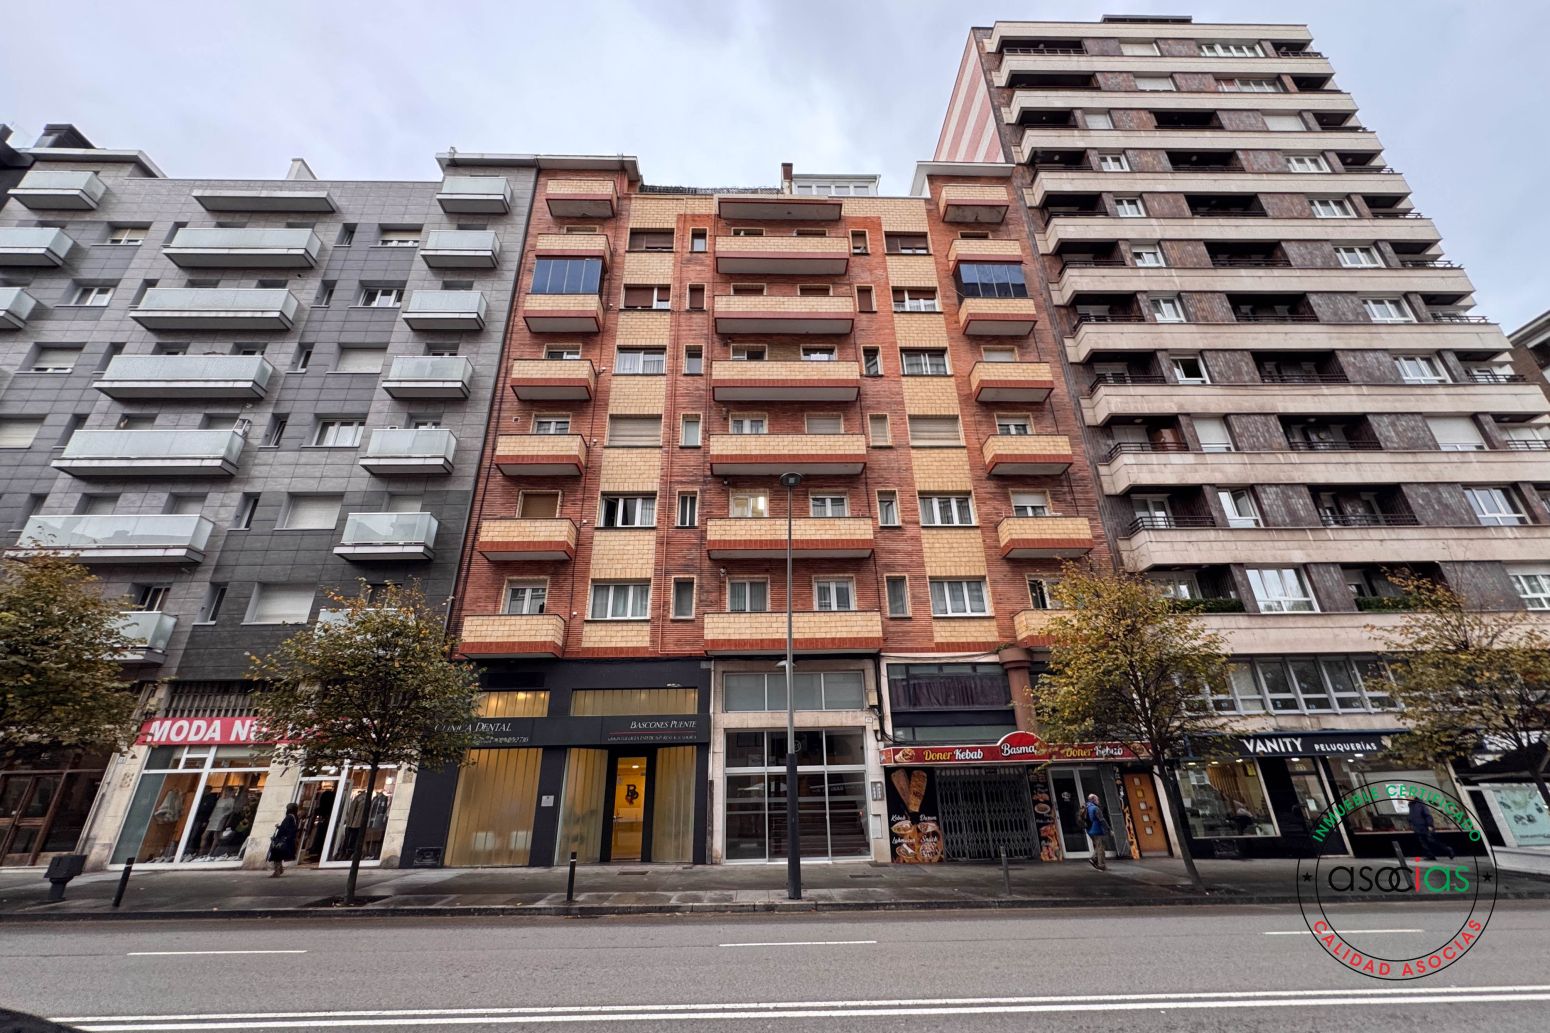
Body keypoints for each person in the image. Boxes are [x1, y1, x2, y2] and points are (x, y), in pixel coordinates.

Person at [267, 802, 299, 877]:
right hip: (288, 840)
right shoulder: (295, 817)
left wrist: (278, 832)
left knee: (276, 854)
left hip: (283, 839)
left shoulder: (289, 817)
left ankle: (277, 871)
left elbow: (285, 828)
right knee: (279, 855)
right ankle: (279, 869)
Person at [1084, 793, 1109, 871]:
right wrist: (1108, 828)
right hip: (1096, 829)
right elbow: (1101, 820)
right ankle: (1098, 863)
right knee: (1100, 846)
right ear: (1094, 800)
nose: (1098, 801)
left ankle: (1100, 863)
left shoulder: (1086, 807)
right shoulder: (1095, 808)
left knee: (1099, 846)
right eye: (1097, 799)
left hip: (1089, 829)